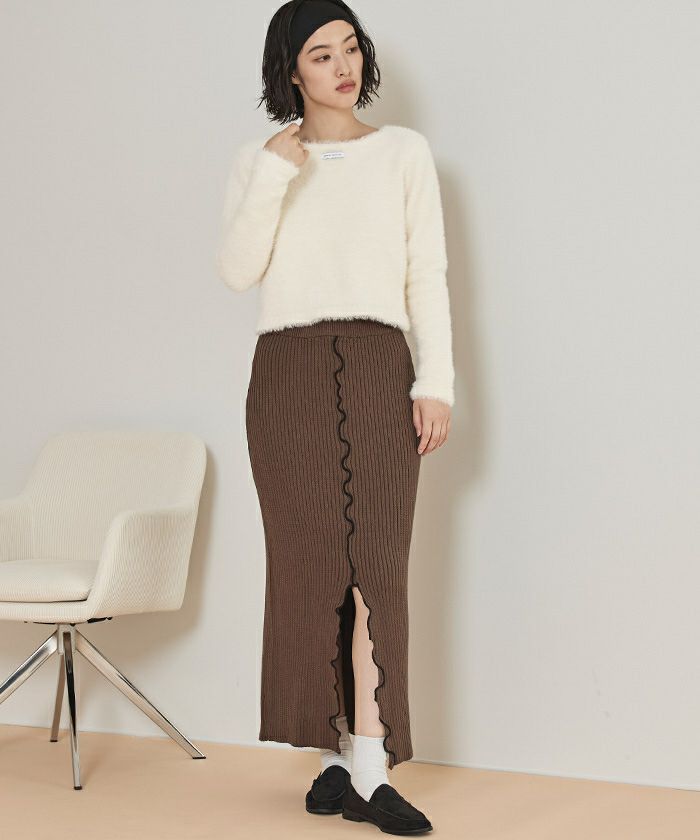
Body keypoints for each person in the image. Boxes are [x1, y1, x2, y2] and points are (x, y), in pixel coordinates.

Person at [217, 0, 454, 834]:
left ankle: (371, 771)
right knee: (310, 572)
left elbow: (426, 271)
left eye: (350, 48)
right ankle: (335, 761)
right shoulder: (262, 160)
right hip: (288, 377)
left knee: (376, 573)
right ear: (290, 69)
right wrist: (275, 174)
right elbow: (237, 270)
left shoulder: (404, 153)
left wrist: (437, 382)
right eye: (320, 55)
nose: (343, 66)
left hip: (383, 365)